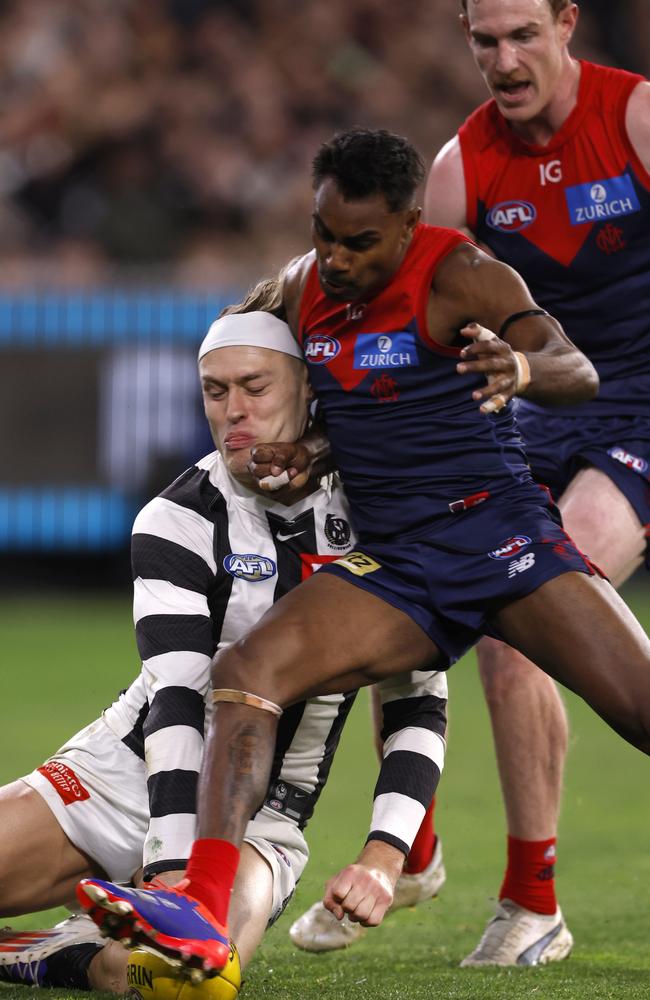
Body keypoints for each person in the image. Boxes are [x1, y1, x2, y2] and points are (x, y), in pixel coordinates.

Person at [76, 126, 650, 981]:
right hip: (403, 564)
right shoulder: (304, 291)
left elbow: (574, 366)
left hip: (504, 539)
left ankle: (416, 861)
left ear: (411, 223)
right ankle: (199, 908)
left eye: (359, 241)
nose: (336, 258)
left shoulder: (464, 275)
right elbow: (327, 403)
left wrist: (522, 372)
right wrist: (304, 452)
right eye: (323, 234)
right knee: (246, 671)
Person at [0, 310, 448, 992]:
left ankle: (34, 952)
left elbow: (418, 702)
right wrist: (174, 866)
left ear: (306, 388)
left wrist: (384, 856)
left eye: (254, 386)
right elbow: (176, 701)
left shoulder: (380, 516)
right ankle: (114, 906)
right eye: (215, 390)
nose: (234, 410)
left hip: (263, 822)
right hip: (117, 781)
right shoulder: (177, 517)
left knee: (193, 977)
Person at [418, 0, 650, 966]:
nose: (504, 60)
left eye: (523, 36)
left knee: (530, 593)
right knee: (432, 588)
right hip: (526, 412)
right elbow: (423, 337)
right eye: (484, 41)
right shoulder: (458, 171)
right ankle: (519, 895)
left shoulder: (636, 119)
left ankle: (516, 894)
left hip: (642, 409)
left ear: (567, 22)